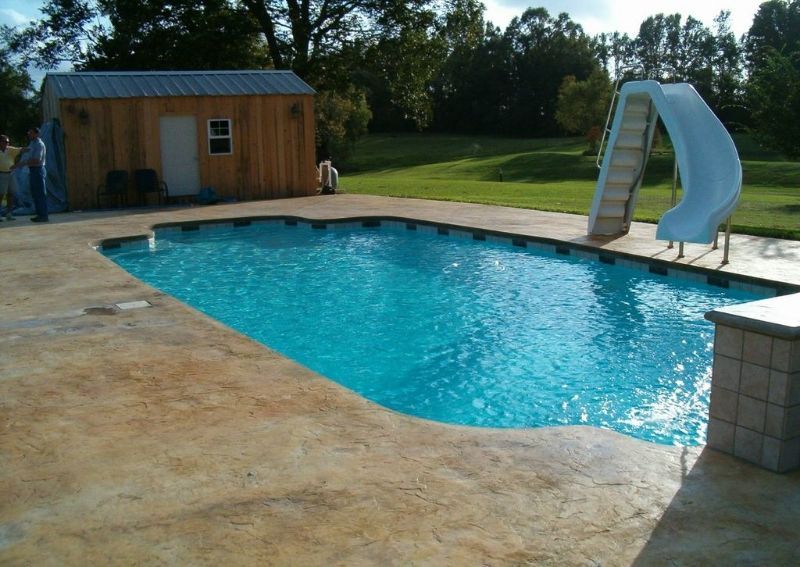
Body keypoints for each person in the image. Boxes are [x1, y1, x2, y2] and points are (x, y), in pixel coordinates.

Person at [12, 127, 48, 222]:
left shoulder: (39, 144)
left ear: (37, 134)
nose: (29, 134)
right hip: (32, 170)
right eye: (29, 133)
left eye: (31, 133)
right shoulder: (32, 143)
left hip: (38, 170)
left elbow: (37, 160)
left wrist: (22, 164)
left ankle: (43, 216)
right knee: (35, 194)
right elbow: (27, 155)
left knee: (40, 194)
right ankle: (40, 214)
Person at [0, 134, 21, 221]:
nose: (7, 144)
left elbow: (22, 150)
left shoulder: (10, 150)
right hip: (1, 174)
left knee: (11, 194)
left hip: (11, 174)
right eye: (5, 142)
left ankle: (9, 214)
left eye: (8, 142)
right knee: (0, 195)